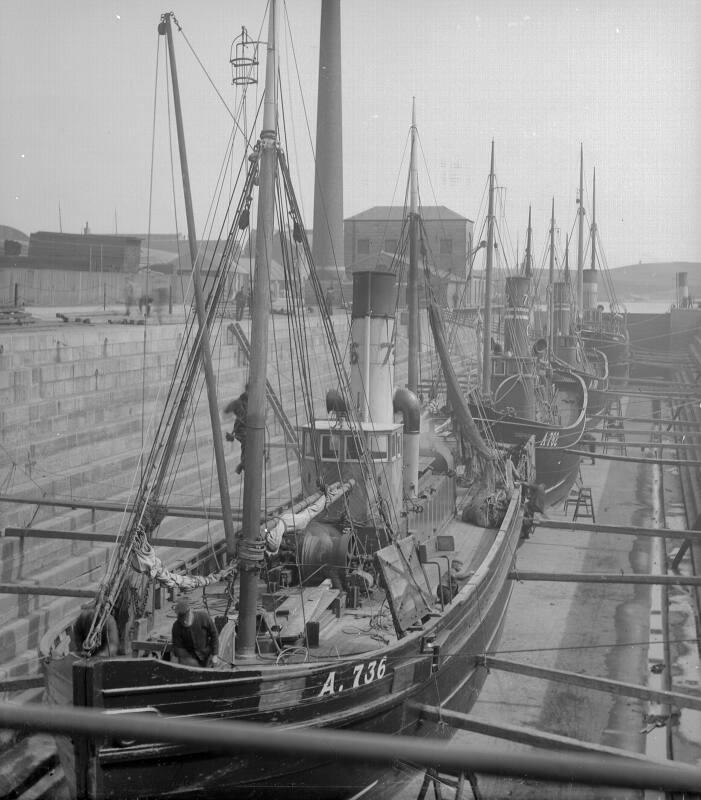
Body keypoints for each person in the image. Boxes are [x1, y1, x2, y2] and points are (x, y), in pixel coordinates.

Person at [171, 598, 220, 667]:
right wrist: (189, 660)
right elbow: (178, 648)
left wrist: (215, 654)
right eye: (182, 620)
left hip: (207, 654)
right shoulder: (176, 627)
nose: (184, 622)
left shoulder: (204, 617)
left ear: (190, 611)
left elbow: (214, 635)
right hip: (189, 657)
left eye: (186, 619)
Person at [225, 385, 248, 474]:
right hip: (241, 430)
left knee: (250, 444)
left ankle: (243, 464)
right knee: (247, 442)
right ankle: (243, 464)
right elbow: (227, 410)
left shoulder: (253, 402)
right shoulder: (238, 402)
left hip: (250, 429)